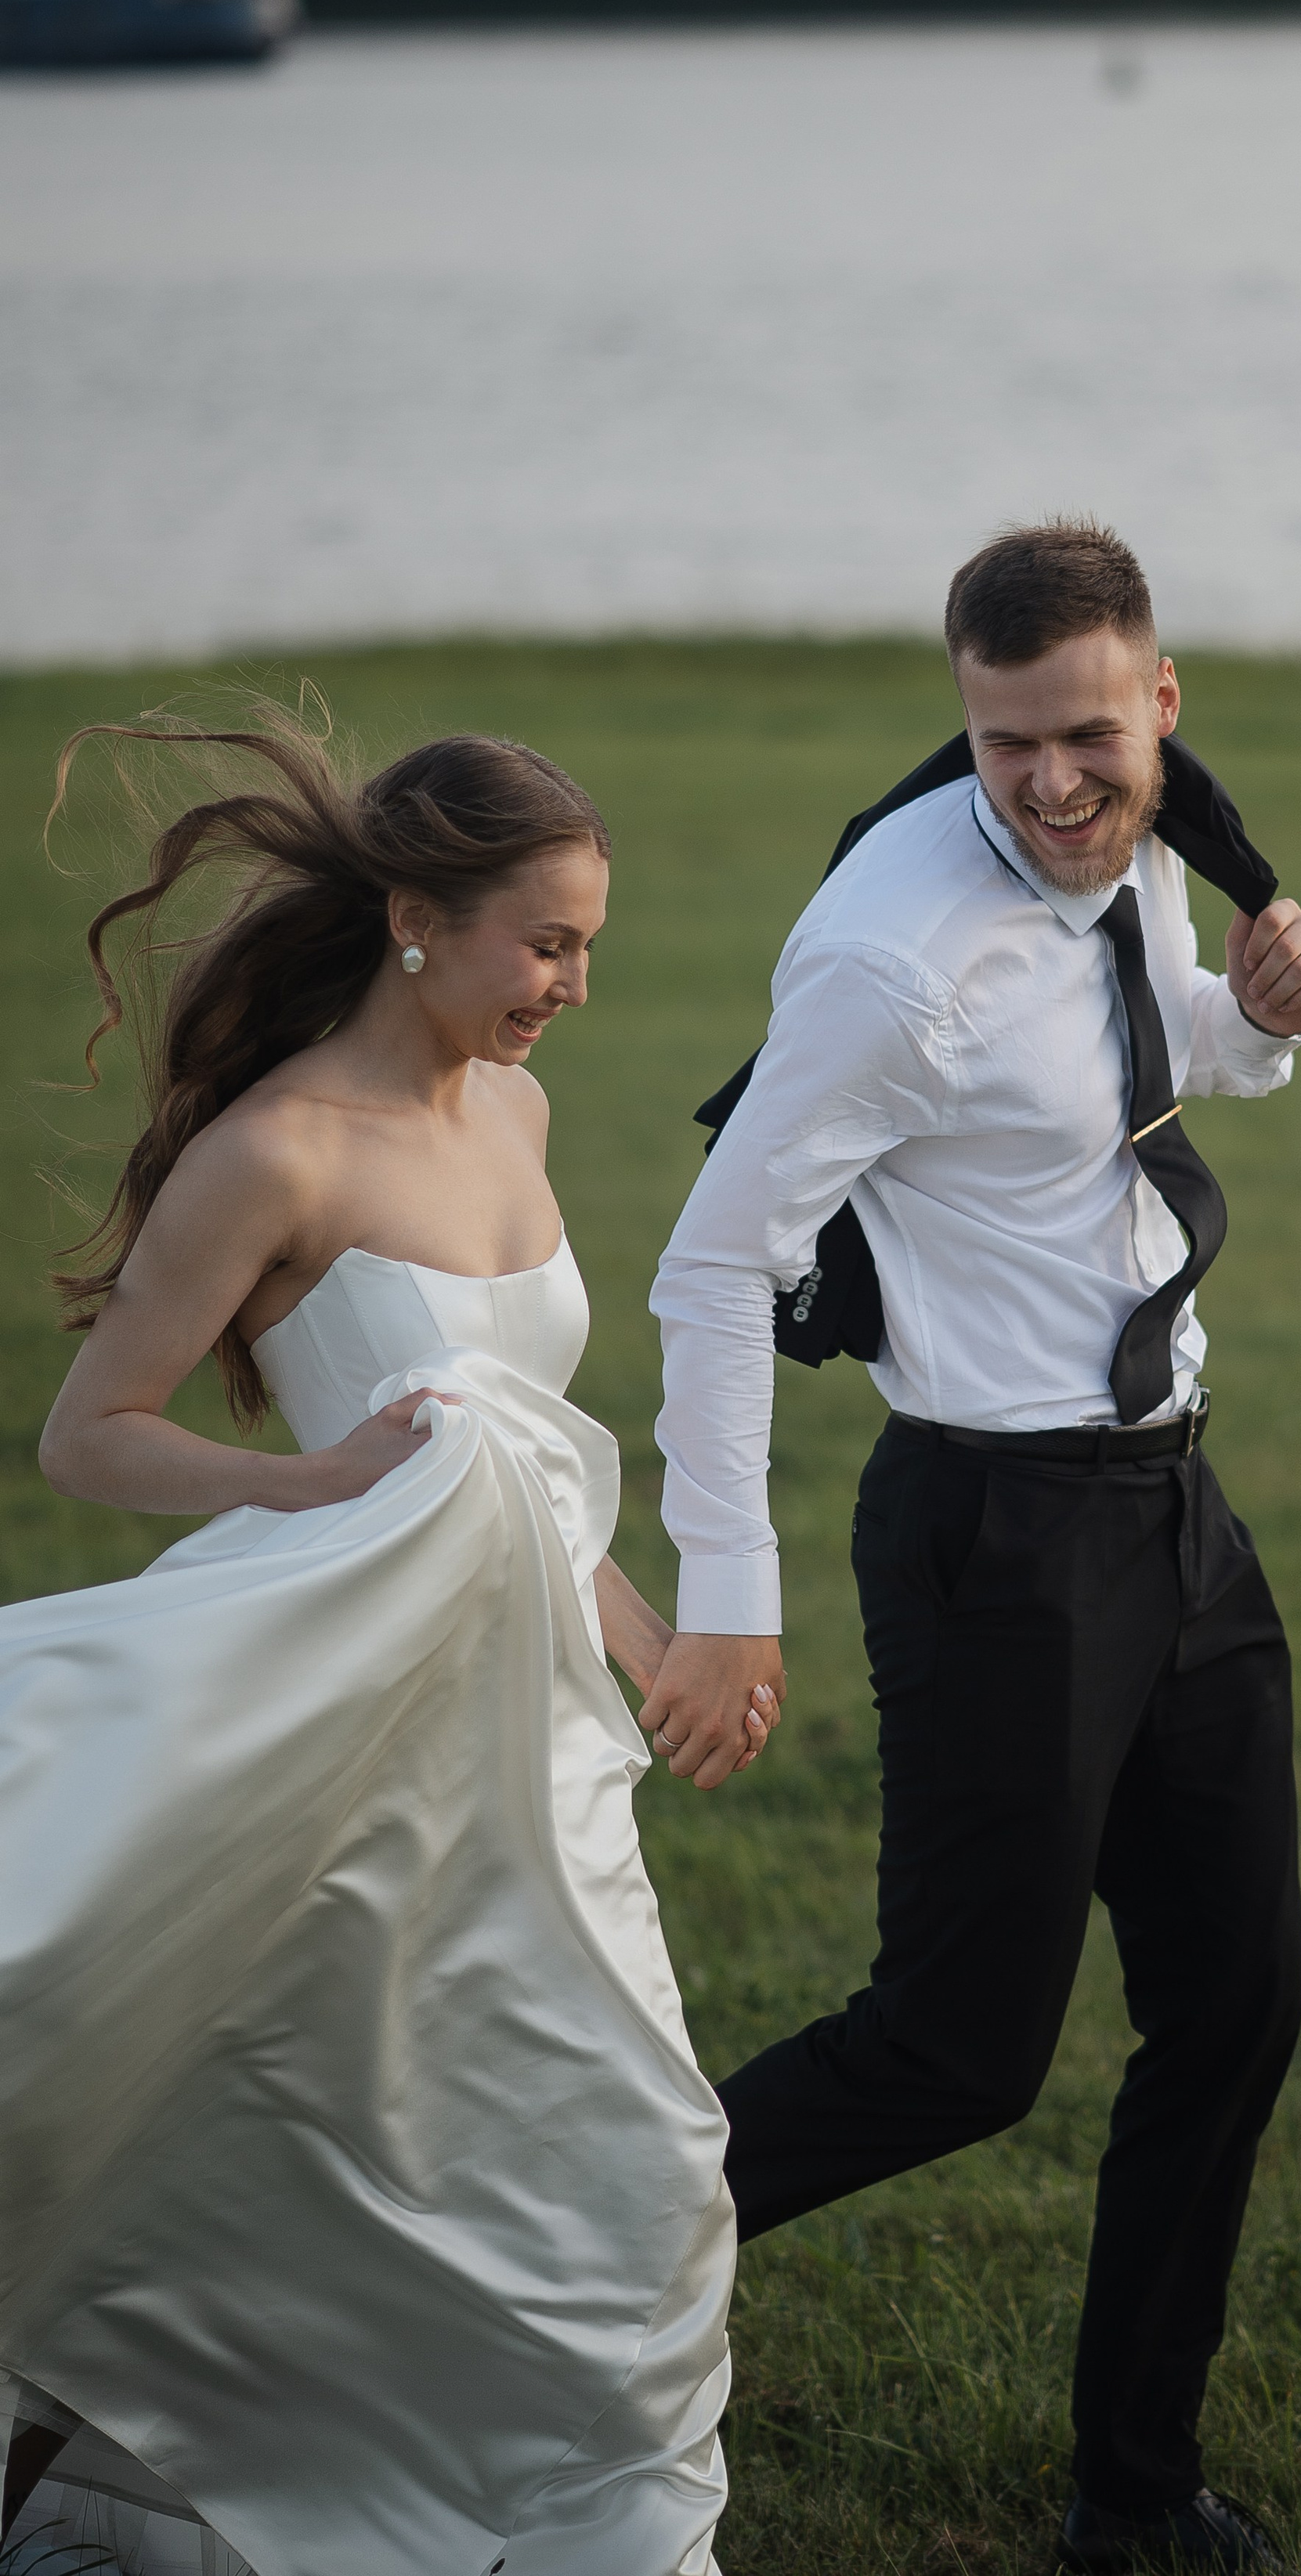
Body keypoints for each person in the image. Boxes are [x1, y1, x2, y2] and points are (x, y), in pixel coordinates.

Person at [649, 521, 1301, 2572]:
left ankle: (1132, 2503)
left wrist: (1270, 1012)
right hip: (993, 1538)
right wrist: (729, 1597)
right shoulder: (890, 956)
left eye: (1086, 740)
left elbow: (1140, 1060)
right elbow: (716, 1267)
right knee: (957, 2055)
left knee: (1237, 2007)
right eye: (1002, 745)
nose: (1049, 785)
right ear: (963, 720)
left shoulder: (1133, 850)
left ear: (1160, 708)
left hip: (1176, 1513)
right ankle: (558, 2248)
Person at [1, 713, 772, 2576]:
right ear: (417, 920)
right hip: (343, 1724)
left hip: (532, 1730)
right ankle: (141, 2459)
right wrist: (315, 1480)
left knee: (582, 2137)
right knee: (302, 2099)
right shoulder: (274, 1154)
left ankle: (489, 2469)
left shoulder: (513, 1112)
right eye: (547, 942)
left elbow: (515, 1444)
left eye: (589, 944)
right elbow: (88, 1436)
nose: (575, 986)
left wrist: (647, 1632)